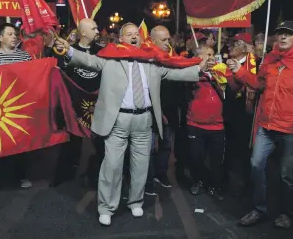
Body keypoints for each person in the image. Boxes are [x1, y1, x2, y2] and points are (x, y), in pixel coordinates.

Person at [55, 22, 207, 226]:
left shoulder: (152, 62)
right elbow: (88, 61)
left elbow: (174, 73)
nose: (134, 36)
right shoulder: (110, 59)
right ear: (121, 39)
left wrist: (199, 67)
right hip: (118, 121)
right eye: (129, 34)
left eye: (137, 34)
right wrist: (69, 51)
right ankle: (106, 207)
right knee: (112, 165)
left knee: (141, 165)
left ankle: (136, 201)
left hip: (144, 120)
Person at [227, 21, 293, 228]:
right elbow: (258, 84)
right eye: (280, 33)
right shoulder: (270, 58)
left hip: (291, 127)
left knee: (287, 174)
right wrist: (240, 71)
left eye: (288, 34)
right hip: (266, 124)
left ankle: (285, 212)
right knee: (256, 165)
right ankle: (259, 208)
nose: (282, 37)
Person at [51, 18, 104, 190]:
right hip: (75, 104)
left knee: (101, 143)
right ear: (83, 32)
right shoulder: (69, 51)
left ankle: (101, 175)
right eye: (94, 28)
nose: (98, 31)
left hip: (98, 105)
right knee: (71, 143)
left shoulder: (102, 51)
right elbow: (60, 72)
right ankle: (63, 175)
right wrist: (59, 52)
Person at [0, 23, 32, 193]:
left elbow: (33, 78)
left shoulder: (25, 56)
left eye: (15, 34)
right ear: (0, 38)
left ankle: (21, 176)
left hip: (19, 107)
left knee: (20, 143)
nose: (14, 36)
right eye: (9, 34)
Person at [186, 45, 225, 200]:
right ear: (198, 57)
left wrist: (218, 76)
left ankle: (214, 186)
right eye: (207, 54)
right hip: (196, 124)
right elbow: (185, 86)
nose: (211, 57)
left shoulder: (219, 71)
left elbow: (233, 88)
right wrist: (198, 69)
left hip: (217, 125)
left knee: (216, 160)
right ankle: (198, 181)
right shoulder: (190, 72)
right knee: (197, 157)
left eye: (212, 54)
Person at [145, 25, 179, 194]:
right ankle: (148, 180)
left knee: (166, 146)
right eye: (163, 40)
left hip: (171, 109)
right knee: (149, 148)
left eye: (168, 39)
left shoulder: (173, 57)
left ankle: (161, 174)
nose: (168, 43)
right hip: (152, 112)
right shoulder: (145, 60)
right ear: (152, 40)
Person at [223, 32, 257, 195]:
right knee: (228, 145)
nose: (231, 47)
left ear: (246, 48)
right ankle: (225, 180)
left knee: (244, 148)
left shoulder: (255, 64)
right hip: (229, 111)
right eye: (231, 44)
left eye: (236, 44)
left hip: (246, 113)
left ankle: (246, 181)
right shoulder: (226, 63)